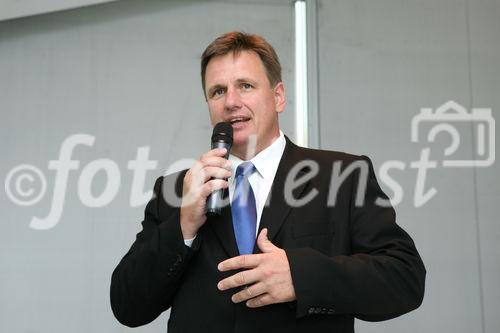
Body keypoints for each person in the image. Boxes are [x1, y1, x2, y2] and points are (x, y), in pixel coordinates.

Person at [110, 31, 426, 333]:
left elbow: (405, 278)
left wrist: (301, 276)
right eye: (218, 91)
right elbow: (128, 306)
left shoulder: (343, 175)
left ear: (278, 97)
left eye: (245, 86)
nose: (231, 102)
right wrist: (182, 226)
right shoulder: (176, 191)